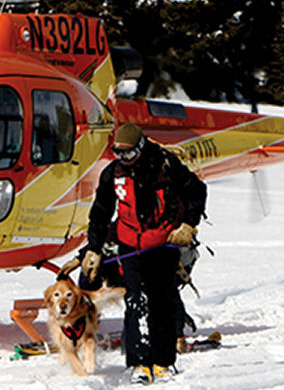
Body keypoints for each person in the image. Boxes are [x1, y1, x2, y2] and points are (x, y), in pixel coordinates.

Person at [80, 123, 207, 385]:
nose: (122, 159)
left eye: (127, 154)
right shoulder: (113, 173)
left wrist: (189, 224)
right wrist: (93, 248)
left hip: (163, 243)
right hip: (130, 245)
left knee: (163, 301)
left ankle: (163, 361)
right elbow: (101, 212)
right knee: (137, 302)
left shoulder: (165, 165)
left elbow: (196, 191)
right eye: (117, 153)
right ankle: (139, 362)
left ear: (140, 148)